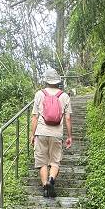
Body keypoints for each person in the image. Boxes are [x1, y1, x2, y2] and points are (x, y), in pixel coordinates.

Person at [30, 68, 73, 197]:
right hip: (56, 134)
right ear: (58, 81)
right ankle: (51, 179)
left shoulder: (39, 94)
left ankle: (45, 187)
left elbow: (35, 117)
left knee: (42, 162)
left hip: (41, 132)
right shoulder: (64, 96)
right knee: (55, 161)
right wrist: (70, 136)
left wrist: (32, 134)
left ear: (46, 81)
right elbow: (68, 118)